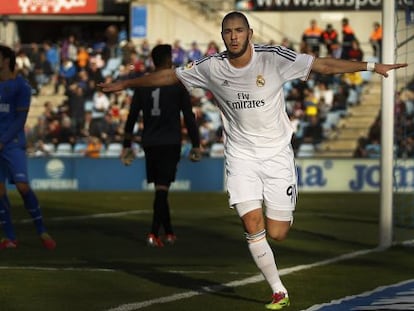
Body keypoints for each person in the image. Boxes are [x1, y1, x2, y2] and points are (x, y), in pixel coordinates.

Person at [99, 11, 407, 310]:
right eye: (228, 32)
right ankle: (278, 291)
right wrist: (126, 84)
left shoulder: (273, 58)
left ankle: (281, 226)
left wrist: (370, 65)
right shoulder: (211, 66)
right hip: (240, 155)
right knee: (252, 223)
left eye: (239, 30)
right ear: (222, 36)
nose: (233, 37)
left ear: (250, 34)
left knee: (278, 233)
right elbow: (170, 75)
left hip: (276, 155)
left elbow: (322, 65)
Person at [121, 44, 201, 247]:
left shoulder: (144, 83)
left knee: (160, 188)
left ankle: (170, 232)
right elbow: (189, 117)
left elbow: (131, 117)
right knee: (162, 190)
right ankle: (153, 233)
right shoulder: (177, 83)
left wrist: (127, 144)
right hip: (170, 141)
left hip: (150, 141)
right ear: (166, 61)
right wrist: (196, 143)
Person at [0, 44, 56, 250]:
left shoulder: (21, 86)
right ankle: (10, 238)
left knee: (23, 187)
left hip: (12, 144)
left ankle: (42, 230)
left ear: (6, 60)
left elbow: (20, 119)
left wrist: (3, 140)